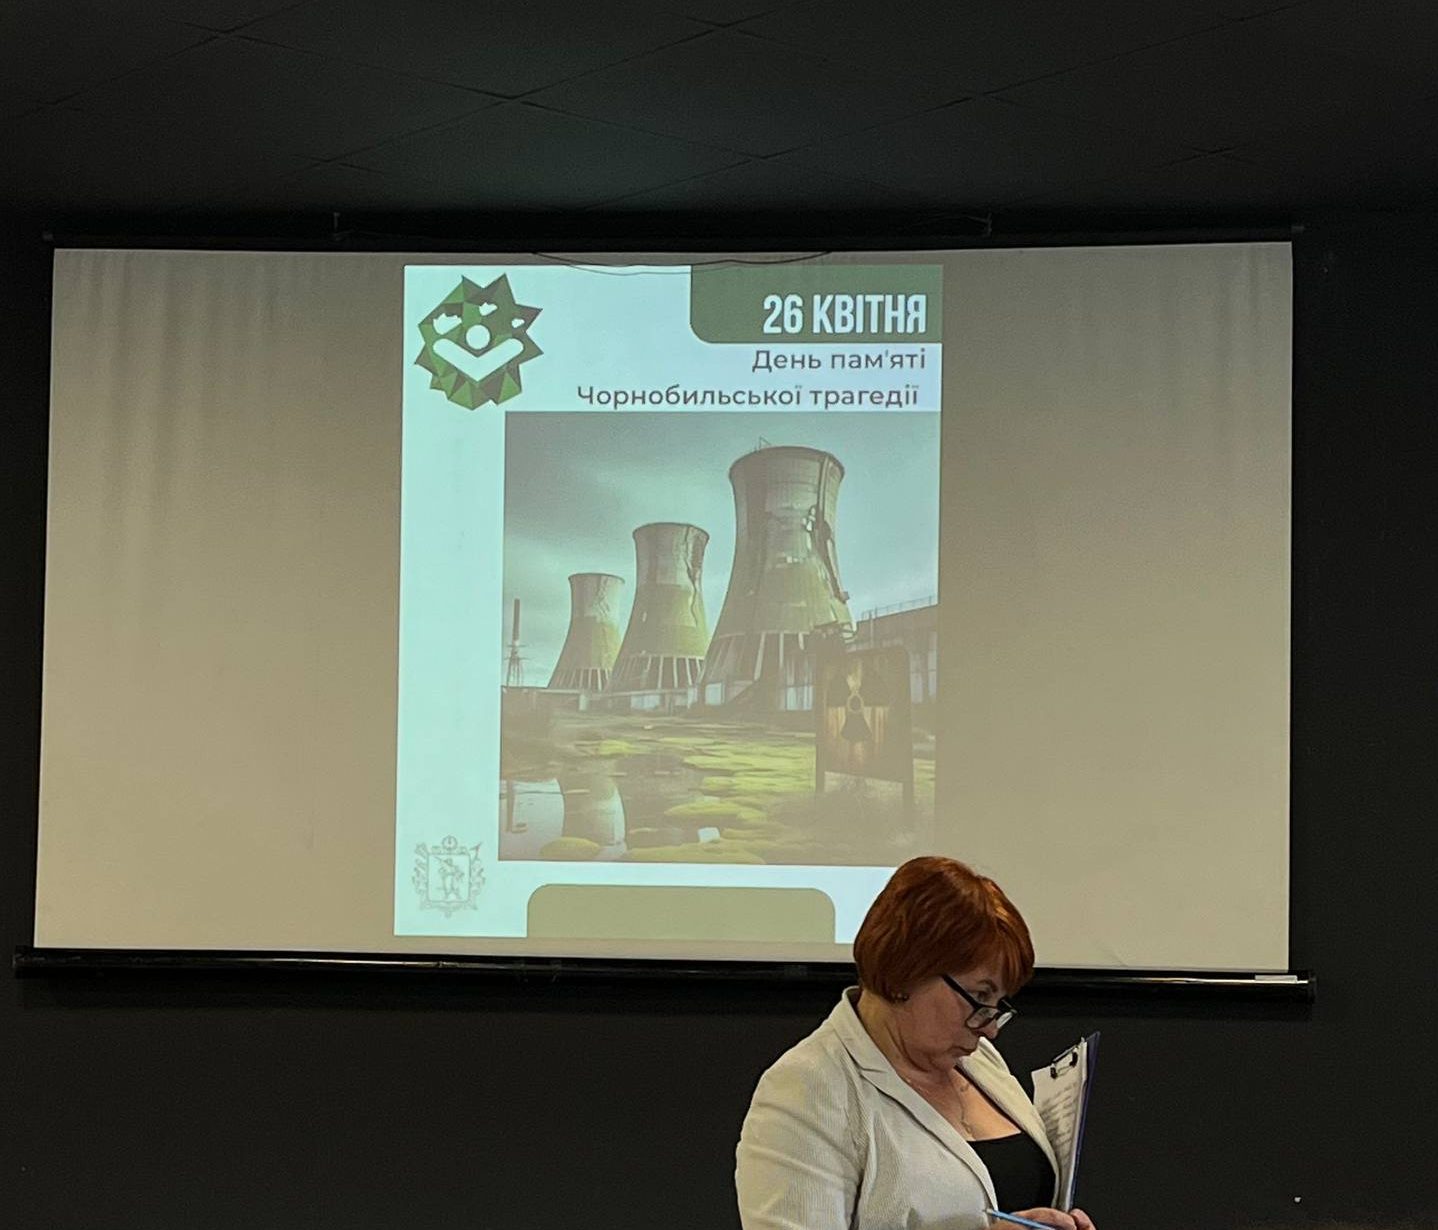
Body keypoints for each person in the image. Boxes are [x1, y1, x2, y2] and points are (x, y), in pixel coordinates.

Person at [736, 856, 1097, 1230]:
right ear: (905, 972)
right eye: (979, 997)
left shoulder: (979, 1060)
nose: (990, 1029)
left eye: (998, 1003)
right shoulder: (806, 1090)